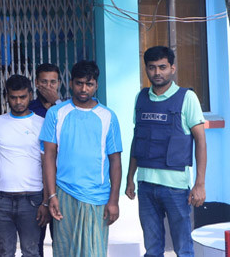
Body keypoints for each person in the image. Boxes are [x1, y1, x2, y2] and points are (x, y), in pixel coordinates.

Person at [125, 46, 207, 257]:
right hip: (146, 185)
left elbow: (201, 141)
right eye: (152, 67)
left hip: (175, 188)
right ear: (146, 69)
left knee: (183, 249)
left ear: (172, 68)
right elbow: (137, 138)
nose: (157, 72)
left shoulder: (187, 98)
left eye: (162, 67)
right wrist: (129, 178)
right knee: (152, 250)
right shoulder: (141, 98)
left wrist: (199, 184)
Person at [40, 61, 121, 257]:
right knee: (65, 251)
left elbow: (115, 162)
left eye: (89, 84)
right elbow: (48, 157)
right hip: (64, 193)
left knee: (94, 252)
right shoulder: (56, 113)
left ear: (96, 85)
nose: (84, 89)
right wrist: (51, 196)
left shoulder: (108, 116)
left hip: (97, 197)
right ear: (70, 83)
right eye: (79, 83)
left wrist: (114, 200)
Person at [0, 75, 47, 257]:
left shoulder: (41, 124)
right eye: (13, 97)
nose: (18, 102)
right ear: (7, 97)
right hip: (1, 198)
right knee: (4, 252)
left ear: (31, 95)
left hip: (32, 198)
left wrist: (46, 200)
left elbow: (47, 164)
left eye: (22, 97)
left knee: (31, 252)